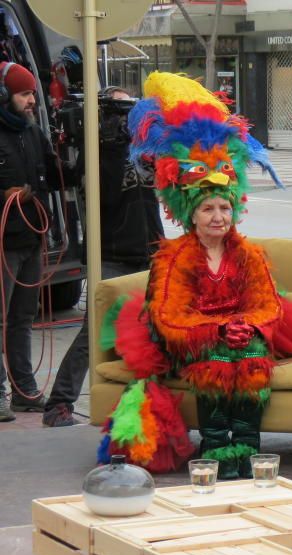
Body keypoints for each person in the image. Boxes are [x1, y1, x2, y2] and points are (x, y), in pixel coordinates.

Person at [98, 72, 292, 477]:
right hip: (190, 342)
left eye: (223, 209)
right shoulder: (175, 257)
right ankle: (216, 446)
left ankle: (248, 447)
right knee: (217, 356)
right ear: (191, 213)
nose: (218, 217)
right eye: (208, 209)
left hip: (239, 334)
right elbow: (167, 317)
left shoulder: (249, 254)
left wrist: (246, 327)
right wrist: (214, 332)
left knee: (249, 354)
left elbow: (267, 305)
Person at [43, 86, 165, 427]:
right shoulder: (97, 152)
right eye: (120, 112)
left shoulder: (147, 149)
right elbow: (104, 197)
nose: (126, 120)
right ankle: (59, 404)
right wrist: (109, 147)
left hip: (152, 251)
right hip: (111, 254)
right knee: (93, 332)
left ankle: (147, 404)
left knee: (159, 330)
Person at [0, 62, 59, 422]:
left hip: (32, 240)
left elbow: (53, 179)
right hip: (3, 243)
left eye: (33, 94)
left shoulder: (34, 133)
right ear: (5, 97)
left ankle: (24, 391)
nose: (31, 100)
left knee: (22, 318)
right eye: (24, 94)